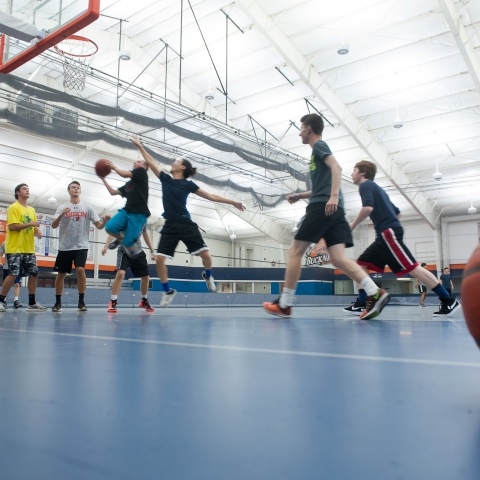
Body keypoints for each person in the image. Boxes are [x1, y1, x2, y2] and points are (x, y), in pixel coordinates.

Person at [263, 114, 390, 320]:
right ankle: (375, 292)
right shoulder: (316, 154)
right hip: (334, 208)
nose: (299, 132)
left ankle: (285, 304)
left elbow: (336, 168)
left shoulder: (319, 147)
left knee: (295, 250)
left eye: (301, 128)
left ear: (309, 129)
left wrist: (331, 197)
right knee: (338, 259)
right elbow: (322, 185)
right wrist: (301, 195)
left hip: (324, 206)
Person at [131, 136, 246, 308]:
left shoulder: (188, 184)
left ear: (182, 167)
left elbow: (210, 196)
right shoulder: (165, 179)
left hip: (186, 223)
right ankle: (168, 291)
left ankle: (208, 275)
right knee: (160, 260)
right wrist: (140, 145)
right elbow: (151, 161)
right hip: (169, 224)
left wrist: (232, 202)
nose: (173, 163)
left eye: (176, 161)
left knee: (206, 256)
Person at [347, 161, 461, 317]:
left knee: (414, 268)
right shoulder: (379, 190)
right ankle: (362, 301)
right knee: (360, 265)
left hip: (388, 233)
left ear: (362, 173)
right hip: (386, 234)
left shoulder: (365, 186)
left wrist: (352, 225)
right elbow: (397, 213)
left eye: (354, 170)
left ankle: (448, 299)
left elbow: (367, 208)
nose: (351, 174)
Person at [51, 181, 110, 313]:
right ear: (69, 191)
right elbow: (54, 225)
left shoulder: (88, 208)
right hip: (65, 246)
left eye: (78, 187)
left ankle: (81, 301)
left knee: (80, 270)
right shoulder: (62, 207)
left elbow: (99, 226)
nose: (76, 189)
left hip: (81, 245)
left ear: (80, 191)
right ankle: (58, 302)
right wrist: (61, 215)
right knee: (61, 274)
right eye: (73, 187)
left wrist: (105, 221)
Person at [0, 184, 47, 312]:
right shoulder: (13, 207)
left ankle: (32, 303)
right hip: (15, 248)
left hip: (28, 249)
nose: (27, 190)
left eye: (28, 189)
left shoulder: (31, 210)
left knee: (34, 273)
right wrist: (31, 224)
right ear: (18, 193)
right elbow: (13, 227)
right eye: (24, 189)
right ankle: (1, 300)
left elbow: (32, 228)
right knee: (13, 273)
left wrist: (37, 231)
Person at [99, 158, 150, 258]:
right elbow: (113, 192)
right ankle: (120, 239)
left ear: (145, 167)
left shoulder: (142, 172)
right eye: (135, 161)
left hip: (138, 213)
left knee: (128, 243)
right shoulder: (129, 184)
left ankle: (129, 244)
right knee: (109, 227)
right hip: (127, 211)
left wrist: (113, 167)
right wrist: (103, 179)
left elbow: (123, 174)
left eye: (138, 161)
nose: (135, 162)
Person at [102, 226, 156, 313]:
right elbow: (113, 232)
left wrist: (152, 250)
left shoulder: (143, 219)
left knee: (146, 277)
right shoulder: (124, 216)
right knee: (120, 274)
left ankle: (144, 301)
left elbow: (145, 234)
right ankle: (113, 301)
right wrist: (106, 246)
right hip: (124, 251)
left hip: (138, 251)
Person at [0, 240, 23, 308]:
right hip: (7, 267)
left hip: (17, 267)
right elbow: (1, 253)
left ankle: (16, 301)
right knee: (6, 284)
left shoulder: (20, 242)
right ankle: (3, 300)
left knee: (17, 284)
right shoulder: (5, 243)